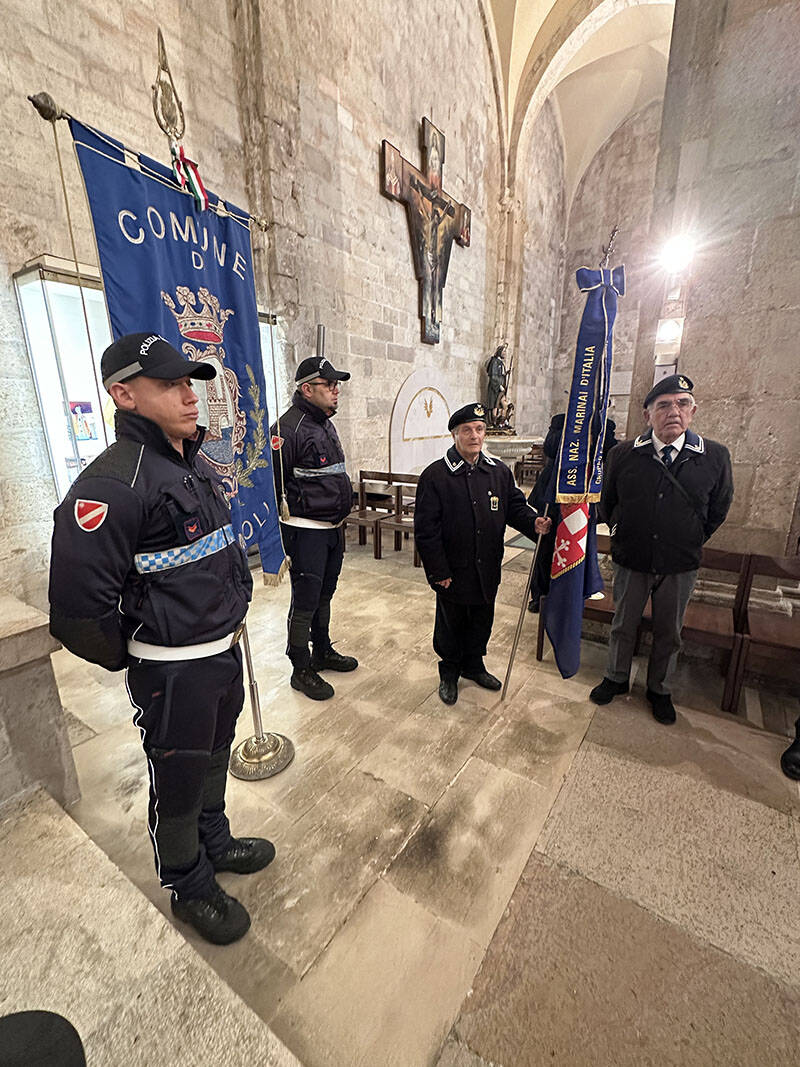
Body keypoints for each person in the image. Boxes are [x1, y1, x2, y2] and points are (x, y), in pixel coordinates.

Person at [49, 333, 274, 946]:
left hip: (219, 656)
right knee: (176, 779)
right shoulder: (113, 483)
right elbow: (75, 614)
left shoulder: (189, 460)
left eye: (190, 381)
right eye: (170, 384)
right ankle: (188, 882)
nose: (189, 394)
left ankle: (215, 840)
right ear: (123, 394)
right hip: (173, 671)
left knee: (213, 756)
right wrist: (145, 650)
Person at [589, 374, 733, 724]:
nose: (674, 411)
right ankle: (616, 677)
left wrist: (690, 537)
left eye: (682, 404)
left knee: (670, 631)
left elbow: (719, 507)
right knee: (624, 623)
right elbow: (607, 503)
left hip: (680, 563)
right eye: (664, 405)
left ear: (693, 411)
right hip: (632, 557)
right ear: (647, 414)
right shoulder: (623, 454)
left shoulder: (713, 456)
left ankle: (660, 689)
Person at [414, 402, 552, 705]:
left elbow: (514, 507)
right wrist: (439, 572)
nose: (474, 435)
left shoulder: (498, 472)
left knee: (481, 618)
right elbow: (427, 531)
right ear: (454, 435)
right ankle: (449, 671)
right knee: (451, 622)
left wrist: (533, 522)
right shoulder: (436, 476)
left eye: (479, 430)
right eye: (467, 430)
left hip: (487, 565)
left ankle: (474, 665)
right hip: (453, 568)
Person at [271, 354, 358, 701]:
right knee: (306, 599)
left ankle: (322, 649)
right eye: (330, 385)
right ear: (307, 389)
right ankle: (300, 667)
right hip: (306, 531)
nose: (337, 391)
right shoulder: (286, 429)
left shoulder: (324, 422)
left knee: (325, 593)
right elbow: (274, 484)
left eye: (337, 385)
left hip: (332, 529)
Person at [527, 413, 619, 612]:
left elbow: (609, 452)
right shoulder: (561, 420)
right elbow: (550, 448)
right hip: (553, 497)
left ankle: (571, 591)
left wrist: (594, 431)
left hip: (583, 500)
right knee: (545, 549)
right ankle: (540, 595)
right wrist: (574, 428)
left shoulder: (604, 424)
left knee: (577, 547)